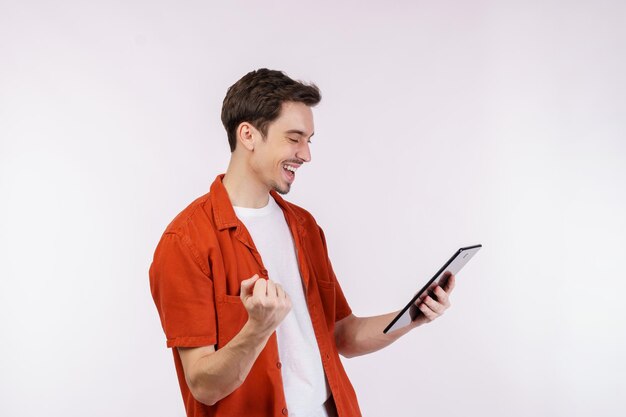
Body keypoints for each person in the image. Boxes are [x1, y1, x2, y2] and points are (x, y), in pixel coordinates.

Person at [149, 68, 455, 417]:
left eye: (309, 140)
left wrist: (411, 316)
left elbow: (343, 334)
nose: (306, 154)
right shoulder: (186, 242)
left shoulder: (304, 226)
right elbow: (204, 386)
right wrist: (258, 328)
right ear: (248, 134)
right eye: (294, 138)